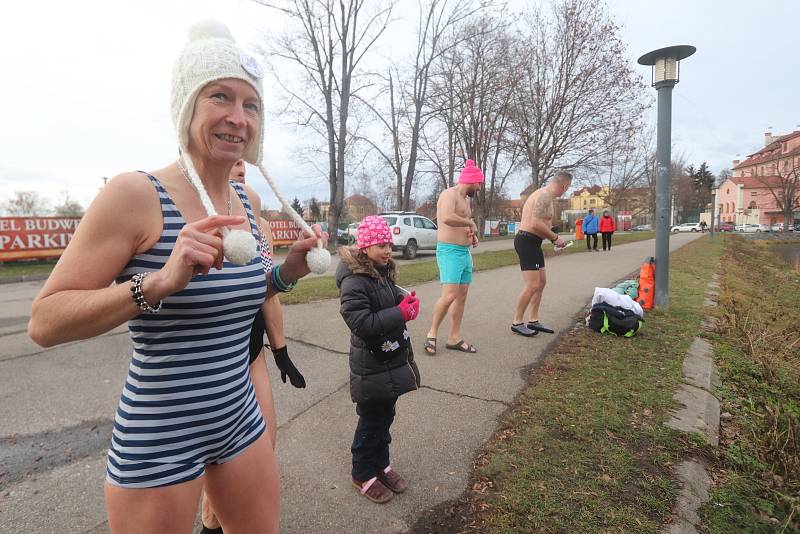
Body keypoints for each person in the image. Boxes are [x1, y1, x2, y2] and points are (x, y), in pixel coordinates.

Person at [27, 21, 327, 533]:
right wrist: (158, 283)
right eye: (220, 97)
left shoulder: (249, 204)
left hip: (239, 416)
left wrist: (284, 275)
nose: (238, 118)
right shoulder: (134, 195)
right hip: (162, 429)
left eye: (250, 105)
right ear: (187, 106)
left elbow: (236, 298)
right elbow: (44, 321)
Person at [199, 161, 306, 534]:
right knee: (218, 469)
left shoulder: (257, 221)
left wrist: (280, 350)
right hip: (207, 363)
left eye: (243, 163)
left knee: (264, 449)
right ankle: (212, 525)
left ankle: (216, 523)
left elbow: (264, 292)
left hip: (252, 351)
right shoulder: (190, 216)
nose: (239, 165)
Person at [336, 215, 422, 503]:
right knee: (371, 421)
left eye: (388, 243)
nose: (387, 249)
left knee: (386, 417)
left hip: (389, 358)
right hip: (371, 365)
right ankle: (362, 472)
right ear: (364, 247)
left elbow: (385, 304)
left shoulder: (383, 271)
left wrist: (403, 301)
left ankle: (381, 464)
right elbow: (361, 322)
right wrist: (400, 313)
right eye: (379, 245)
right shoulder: (354, 280)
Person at [423, 160, 484, 355]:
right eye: (479, 184)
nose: (479, 188)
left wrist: (472, 236)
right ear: (471, 181)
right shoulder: (448, 194)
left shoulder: (466, 200)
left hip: (463, 252)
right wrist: (470, 223)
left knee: (461, 296)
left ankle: (454, 337)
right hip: (449, 251)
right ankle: (431, 334)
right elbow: (446, 217)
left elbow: (464, 224)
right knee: (449, 295)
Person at [511, 171, 573, 336]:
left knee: (541, 282)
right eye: (568, 188)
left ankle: (533, 320)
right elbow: (535, 223)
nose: (566, 191)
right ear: (564, 186)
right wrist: (556, 238)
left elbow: (543, 223)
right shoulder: (544, 196)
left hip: (534, 242)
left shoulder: (547, 196)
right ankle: (517, 322)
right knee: (532, 285)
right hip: (527, 241)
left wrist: (553, 236)